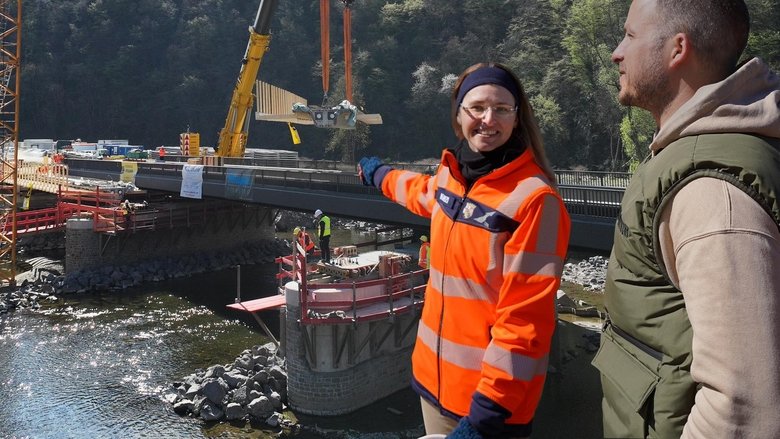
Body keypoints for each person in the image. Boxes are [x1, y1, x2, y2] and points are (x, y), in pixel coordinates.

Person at [593, 1, 780, 438]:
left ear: (677, 49)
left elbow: (742, 408)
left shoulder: (712, 191)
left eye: (630, 36)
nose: (617, 52)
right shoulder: (703, 152)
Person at [358, 63, 571, 438]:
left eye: (501, 109)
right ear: (459, 116)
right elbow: (418, 191)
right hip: (432, 385)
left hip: (487, 409)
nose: (488, 119)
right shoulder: (451, 178)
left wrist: (485, 416)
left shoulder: (535, 201)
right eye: (477, 107)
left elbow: (525, 323)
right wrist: (379, 175)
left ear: (517, 118)